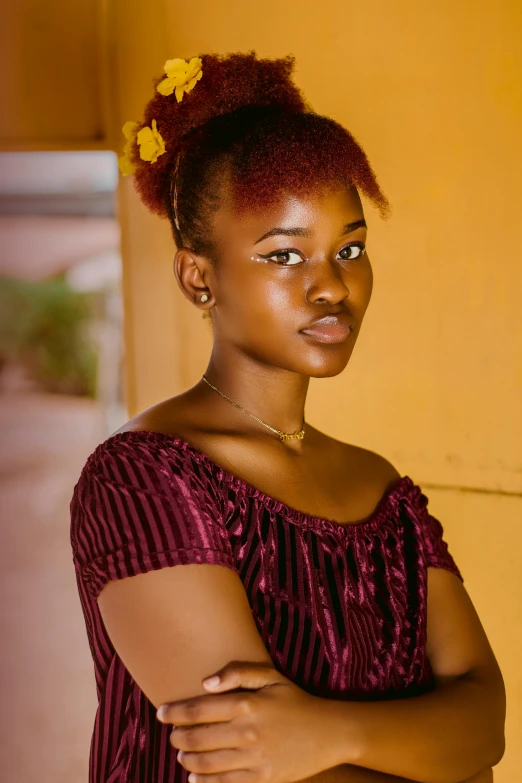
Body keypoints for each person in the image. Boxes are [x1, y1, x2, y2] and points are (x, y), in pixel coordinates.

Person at [70, 51, 505, 783]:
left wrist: (322, 730)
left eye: (351, 248)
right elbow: (248, 766)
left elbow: (485, 721)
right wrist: (425, 749)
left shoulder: (381, 489)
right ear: (197, 276)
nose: (331, 285)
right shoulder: (144, 479)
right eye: (283, 256)